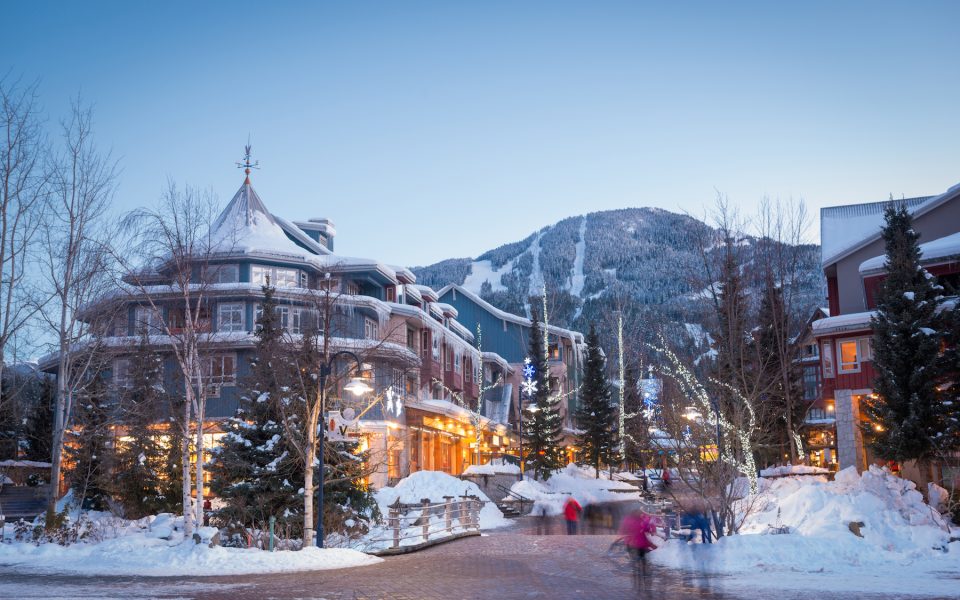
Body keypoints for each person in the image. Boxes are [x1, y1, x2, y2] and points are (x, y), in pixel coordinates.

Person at [619, 510, 659, 587]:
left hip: (632, 545)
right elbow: (647, 529)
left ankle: (637, 578)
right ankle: (643, 577)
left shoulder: (629, 520)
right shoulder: (641, 521)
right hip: (639, 545)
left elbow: (624, 530)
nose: (641, 514)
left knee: (636, 562)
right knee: (643, 562)